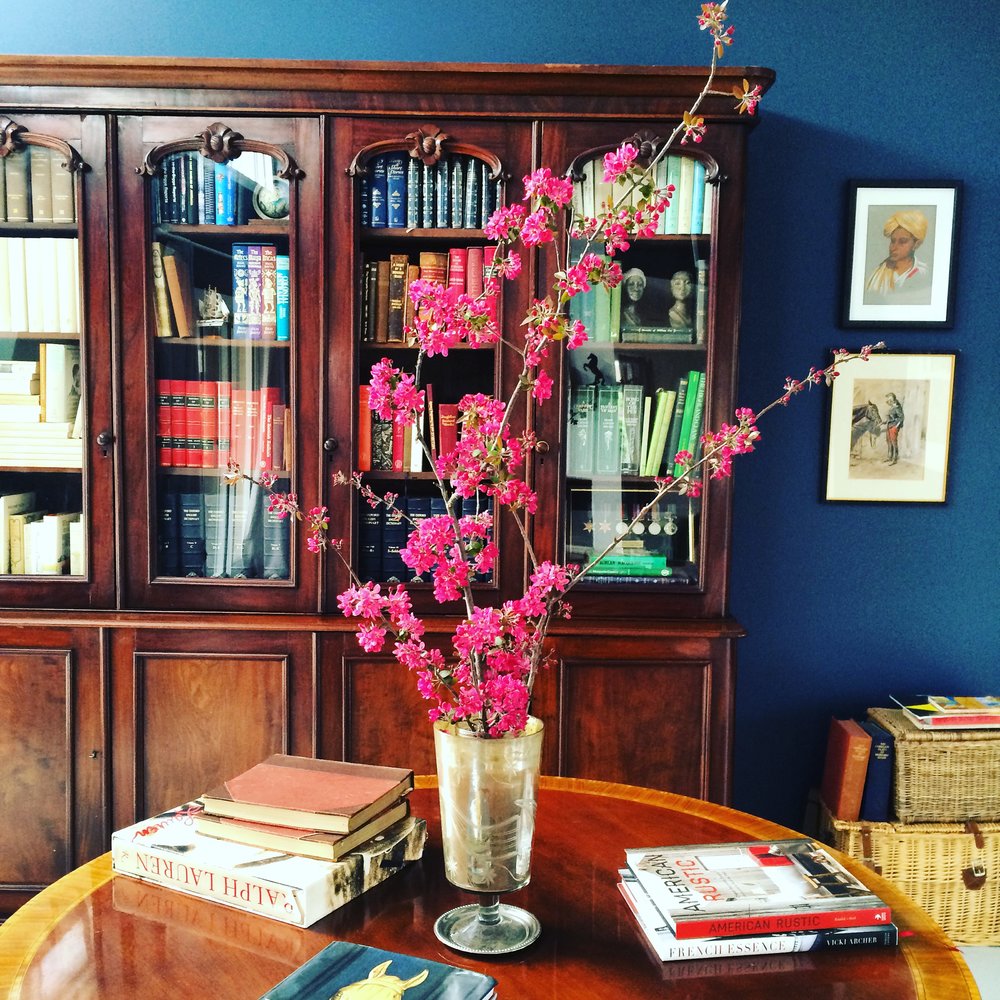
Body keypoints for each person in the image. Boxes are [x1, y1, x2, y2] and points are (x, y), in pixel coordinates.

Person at [865, 209, 930, 302]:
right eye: (892, 241)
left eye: (902, 241)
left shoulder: (925, 273)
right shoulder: (876, 276)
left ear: (916, 244)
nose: (893, 247)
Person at [883, 392, 904, 466]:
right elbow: (890, 418)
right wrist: (884, 422)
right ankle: (889, 457)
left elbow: (901, 418)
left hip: (893, 427)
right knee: (889, 442)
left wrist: (896, 427)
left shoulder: (897, 407)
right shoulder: (892, 408)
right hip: (889, 426)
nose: (888, 401)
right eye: (888, 399)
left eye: (889, 399)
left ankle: (895, 459)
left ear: (893, 399)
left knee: (894, 443)